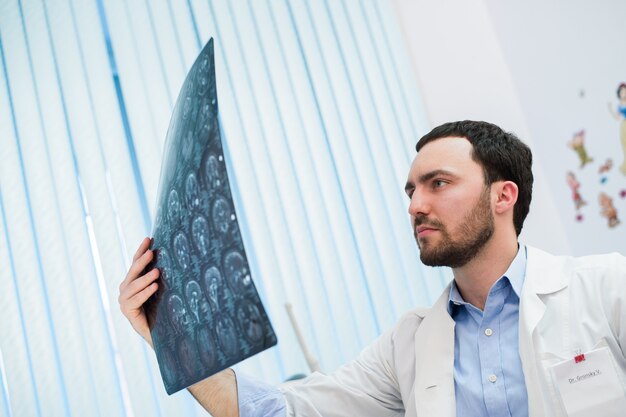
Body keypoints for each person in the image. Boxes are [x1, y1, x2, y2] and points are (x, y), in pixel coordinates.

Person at [119, 120, 626, 417]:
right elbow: (279, 411)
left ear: (503, 196)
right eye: (411, 191)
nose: (415, 205)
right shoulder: (410, 343)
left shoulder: (605, 289)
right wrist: (170, 337)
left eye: (438, 183)